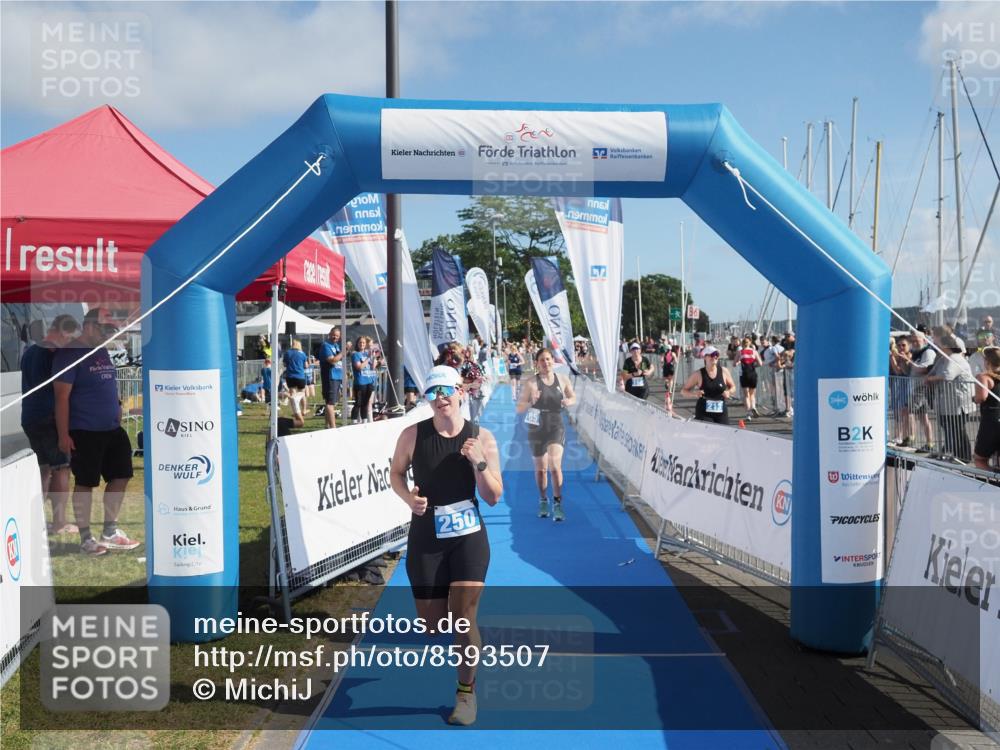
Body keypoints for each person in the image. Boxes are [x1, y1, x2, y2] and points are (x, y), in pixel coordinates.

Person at [389, 365, 503, 726]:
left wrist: (479, 462)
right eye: (432, 393)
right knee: (433, 625)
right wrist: (410, 499)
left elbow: (495, 496)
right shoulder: (412, 435)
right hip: (427, 536)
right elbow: (395, 473)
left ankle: (466, 693)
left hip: (469, 536)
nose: (440, 398)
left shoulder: (481, 437)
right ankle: (461, 660)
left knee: (463, 619)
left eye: (445, 391)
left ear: (460, 392)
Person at [52, 309, 140, 555]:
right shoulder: (69, 354)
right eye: (104, 329)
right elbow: (61, 397)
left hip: (112, 428)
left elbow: (108, 384)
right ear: (89, 326)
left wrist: (119, 406)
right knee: (85, 483)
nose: (108, 334)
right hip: (84, 431)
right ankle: (86, 538)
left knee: (121, 476)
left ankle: (109, 530)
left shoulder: (100, 351)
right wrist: (63, 435)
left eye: (110, 330)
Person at [21, 314, 80, 535]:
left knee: (44, 470)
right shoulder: (53, 352)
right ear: (62, 331)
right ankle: (60, 523)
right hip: (48, 416)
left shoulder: (29, 352)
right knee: (61, 468)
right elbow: (61, 389)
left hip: (29, 416)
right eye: (70, 337)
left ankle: (34, 520)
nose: (69, 342)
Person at [516, 348, 576, 521]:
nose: (546, 363)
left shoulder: (562, 379)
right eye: (542, 360)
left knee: (555, 466)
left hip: (555, 424)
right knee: (541, 470)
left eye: (548, 359)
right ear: (537, 363)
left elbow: (573, 397)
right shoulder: (531, 383)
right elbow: (519, 408)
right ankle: (543, 499)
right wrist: (530, 401)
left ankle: (557, 503)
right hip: (536, 427)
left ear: (553, 361)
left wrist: (567, 401)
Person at [927, 334, 975, 462]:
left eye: (939, 344)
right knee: (949, 427)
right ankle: (950, 451)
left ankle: (964, 456)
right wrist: (930, 377)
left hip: (959, 403)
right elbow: (933, 372)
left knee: (957, 429)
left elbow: (947, 375)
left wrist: (931, 379)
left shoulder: (955, 359)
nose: (936, 347)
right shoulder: (943, 359)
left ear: (946, 346)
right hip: (947, 402)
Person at [680, 345, 736, 424]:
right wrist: (694, 394)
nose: (715, 357)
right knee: (708, 434)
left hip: (721, 409)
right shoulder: (698, 374)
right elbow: (683, 391)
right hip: (704, 412)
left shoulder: (724, 371)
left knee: (724, 433)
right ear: (705, 357)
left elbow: (733, 387)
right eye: (712, 355)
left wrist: (729, 392)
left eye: (716, 354)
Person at [972, 347, 1000, 471]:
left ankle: (994, 481)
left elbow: (981, 397)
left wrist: (974, 398)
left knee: (979, 459)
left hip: (992, 420)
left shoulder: (984, 377)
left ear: (987, 362)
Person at [908, 331, 937, 452]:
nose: (914, 343)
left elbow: (926, 369)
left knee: (908, 412)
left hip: (922, 389)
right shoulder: (915, 353)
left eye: (917, 340)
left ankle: (911, 439)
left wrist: (909, 361)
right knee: (922, 417)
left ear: (924, 340)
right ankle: (929, 443)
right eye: (913, 340)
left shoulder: (928, 352)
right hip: (916, 388)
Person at [319, 327, 344, 428]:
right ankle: (333, 428)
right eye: (334, 335)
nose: (335, 337)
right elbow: (332, 360)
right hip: (330, 376)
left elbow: (339, 362)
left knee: (330, 402)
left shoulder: (336, 346)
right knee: (330, 403)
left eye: (337, 336)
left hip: (337, 376)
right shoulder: (326, 346)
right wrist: (343, 352)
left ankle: (327, 426)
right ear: (329, 334)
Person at [350, 336, 376, 424]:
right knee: (358, 403)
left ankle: (364, 421)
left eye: (363, 343)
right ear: (357, 344)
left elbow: (372, 367)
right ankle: (354, 421)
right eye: (360, 342)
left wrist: (374, 357)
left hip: (369, 381)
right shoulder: (355, 354)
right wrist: (368, 358)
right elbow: (359, 367)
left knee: (365, 403)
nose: (362, 344)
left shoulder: (366, 354)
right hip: (360, 381)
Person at [738, 337, 762, 420]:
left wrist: (739, 362)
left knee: (746, 395)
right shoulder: (754, 352)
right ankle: (753, 407)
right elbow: (760, 363)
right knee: (752, 394)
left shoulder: (740, 352)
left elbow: (734, 363)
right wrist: (753, 365)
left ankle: (748, 413)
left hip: (744, 374)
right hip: (752, 373)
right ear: (750, 343)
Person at [662, 344, 677, 415]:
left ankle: (666, 383)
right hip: (671, 367)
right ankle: (670, 389)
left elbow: (661, 360)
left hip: (665, 367)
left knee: (666, 379)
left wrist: (662, 363)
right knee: (671, 380)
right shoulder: (673, 353)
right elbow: (676, 361)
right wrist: (674, 362)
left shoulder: (664, 354)